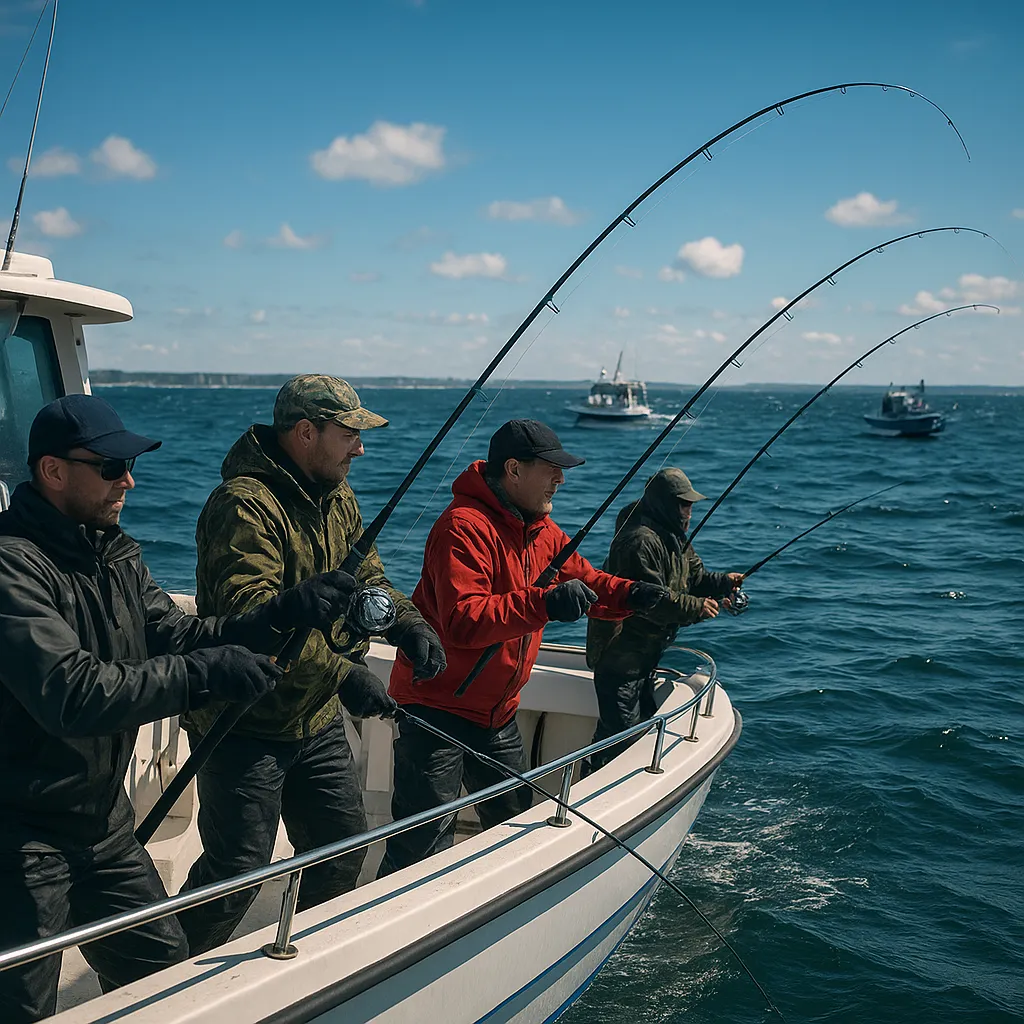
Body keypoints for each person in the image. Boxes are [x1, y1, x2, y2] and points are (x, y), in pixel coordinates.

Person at [0, 395, 352, 1024]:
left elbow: (180, 634)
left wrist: (279, 615)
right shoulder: (11, 567)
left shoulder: (113, 552)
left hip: (101, 827)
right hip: (21, 838)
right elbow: (72, 693)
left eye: (129, 466)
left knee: (166, 984)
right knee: (22, 1005)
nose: (128, 481)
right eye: (111, 468)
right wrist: (200, 677)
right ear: (53, 471)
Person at [177, 374, 446, 954]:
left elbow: (367, 581)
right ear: (306, 433)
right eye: (349, 434)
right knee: (236, 870)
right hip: (242, 722)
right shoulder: (244, 505)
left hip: (314, 719)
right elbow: (249, 621)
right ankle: (163, 982)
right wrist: (344, 673)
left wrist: (408, 623)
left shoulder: (337, 496)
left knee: (340, 849)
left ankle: (305, 963)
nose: (360, 448)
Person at [379, 419, 667, 875]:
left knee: (517, 830)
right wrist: (545, 603)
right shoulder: (463, 527)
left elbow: (587, 581)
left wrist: (630, 595)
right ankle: (392, 931)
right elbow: (464, 621)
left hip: (498, 714)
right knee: (419, 847)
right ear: (513, 469)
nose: (561, 478)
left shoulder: (543, 531)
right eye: (551, 468)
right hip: (436, 709)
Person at [585, 467, 743, 772]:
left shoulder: (673, 534)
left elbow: (693, 577)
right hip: (620, 656)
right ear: (665, 504)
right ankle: (592, 792)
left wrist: (723, 583)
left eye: (691, 504)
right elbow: (651, 601)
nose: (690, 511)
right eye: (684, 504)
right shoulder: (639, 542)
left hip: (644, 656)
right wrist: (696, 608)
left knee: (636, 730)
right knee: (619, 739)